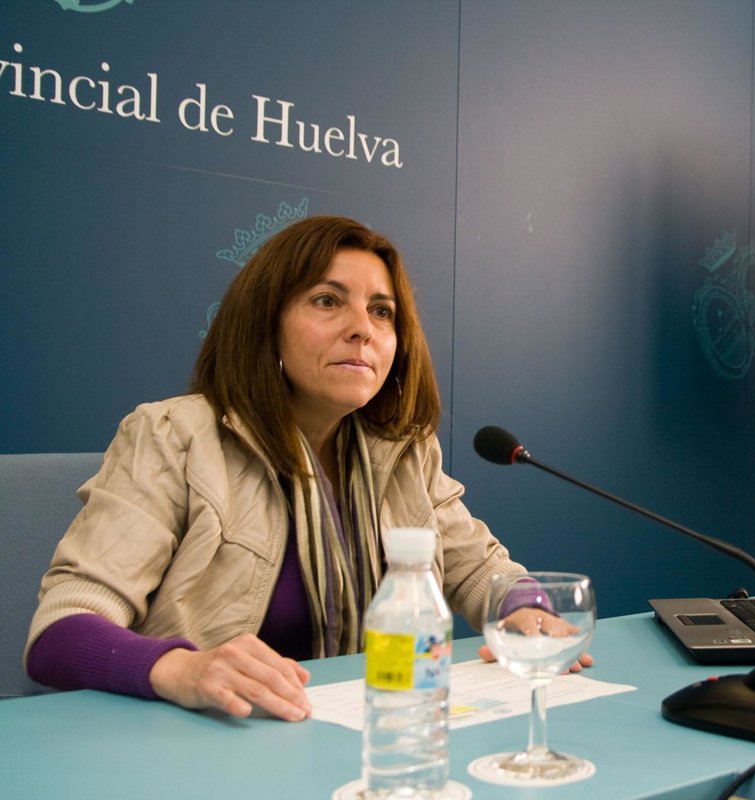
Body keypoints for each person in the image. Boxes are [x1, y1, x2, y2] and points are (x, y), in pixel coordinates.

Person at [25, 215, 589, 722]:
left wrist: (527, 610)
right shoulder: (173, 435)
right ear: (265, 324)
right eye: (327, 300)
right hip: (206, 739)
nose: (362, 328)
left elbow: (478, 570)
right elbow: (59, 635)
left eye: (382, 311)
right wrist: (182, 669)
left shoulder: (402, 450)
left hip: (354, 732)